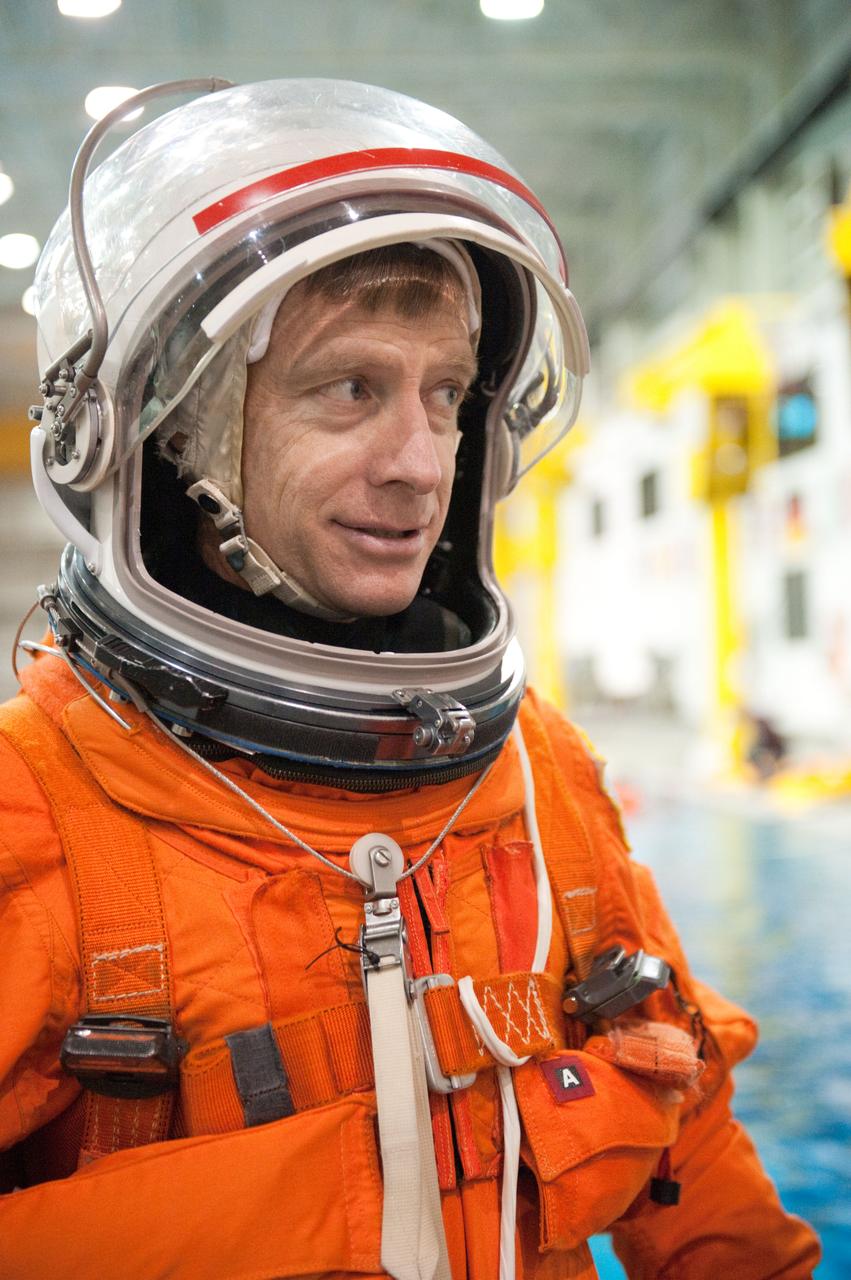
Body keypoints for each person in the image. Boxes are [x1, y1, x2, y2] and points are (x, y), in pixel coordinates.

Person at [0, 78, 819, 1280]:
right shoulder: (38, 817)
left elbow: (700, 1178)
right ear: (178, 430)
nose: (420, 464)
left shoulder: (538, 779)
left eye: (445, 395)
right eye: (351, 389)